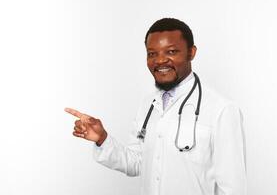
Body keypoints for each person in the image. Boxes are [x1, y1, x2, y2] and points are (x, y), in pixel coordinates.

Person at [65, 18, 247, 195]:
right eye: (152, 54)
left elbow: (233, 188)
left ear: (191, 52)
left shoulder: (222, 110)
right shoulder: (148, 105)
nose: (160, 61)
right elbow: (137, 163)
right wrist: (102, 139)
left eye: (171, 51)